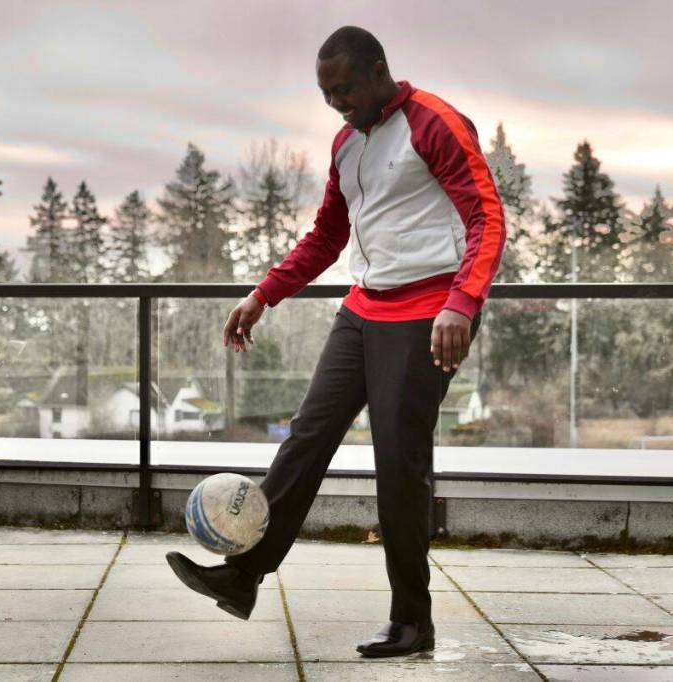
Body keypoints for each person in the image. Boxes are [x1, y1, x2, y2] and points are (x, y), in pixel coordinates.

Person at [167, 25, 505, 658]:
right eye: (326, 94)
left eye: (344, 89)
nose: (336, 103)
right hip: (363, 308)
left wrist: (462, 302)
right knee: (307, 436)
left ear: (378, 72)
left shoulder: (434, 122)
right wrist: (263, 294)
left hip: (431, 311)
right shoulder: (347, 143)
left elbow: (486, 217)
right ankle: (243, 575)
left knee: (398, 464)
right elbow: (327, 235)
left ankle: (412, 621)